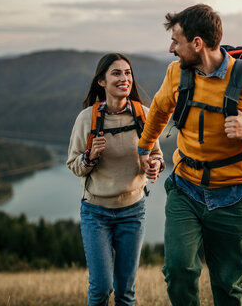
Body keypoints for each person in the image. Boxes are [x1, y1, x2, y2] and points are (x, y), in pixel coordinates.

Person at [138, 4, 242, 306]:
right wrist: (144, 148)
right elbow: (159, 110)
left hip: (233, 198)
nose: (171, 49)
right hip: (185, 189)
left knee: (227, 286)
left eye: (176, 41)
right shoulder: (176, 74)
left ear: (197, 44)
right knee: (178, 270)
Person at [67, 52, 164, 306]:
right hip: (95, 212)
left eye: (128, 73)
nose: (125, 78)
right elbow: (74, 165)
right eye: (117, 73)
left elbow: (157, 156)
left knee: (126, 292)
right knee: (101, 288)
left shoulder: (144, 114)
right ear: (101, 81)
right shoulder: (87, 118)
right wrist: (90, 156)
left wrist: (154, 165)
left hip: (133, 211)